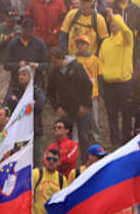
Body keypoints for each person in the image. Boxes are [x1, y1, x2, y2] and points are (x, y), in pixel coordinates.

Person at [48, 47, 92, 160]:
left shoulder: (77, 67)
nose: (53, 64)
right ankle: (66, 161)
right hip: (65, 109)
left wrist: (85, 106)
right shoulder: (54, 72)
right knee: (66, 137)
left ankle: (86, 161)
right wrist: (57, 107)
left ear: (61, 59)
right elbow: (50, 91)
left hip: (80, 108)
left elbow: (88, 86)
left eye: (54, 61)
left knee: (84, 136)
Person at [99, 9, 134, 146]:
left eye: (116, 22)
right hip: (109, 84)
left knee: (126, 113)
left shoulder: (127, 39)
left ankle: (127, 140)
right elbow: (101, 62)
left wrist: (113, 16)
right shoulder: (105, 42)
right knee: (111, 114)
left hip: (124, 83)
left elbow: (126, 30)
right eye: (111, 22)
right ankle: (115, 141)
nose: (113, 24)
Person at [31, 148, 68, 214]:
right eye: (49, 158)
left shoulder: (62, 179)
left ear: (59, 162)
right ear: (45, 159)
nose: (51, 161)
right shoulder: (36, 174)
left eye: (54, 160)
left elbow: (64, 203)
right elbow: (27, 196)